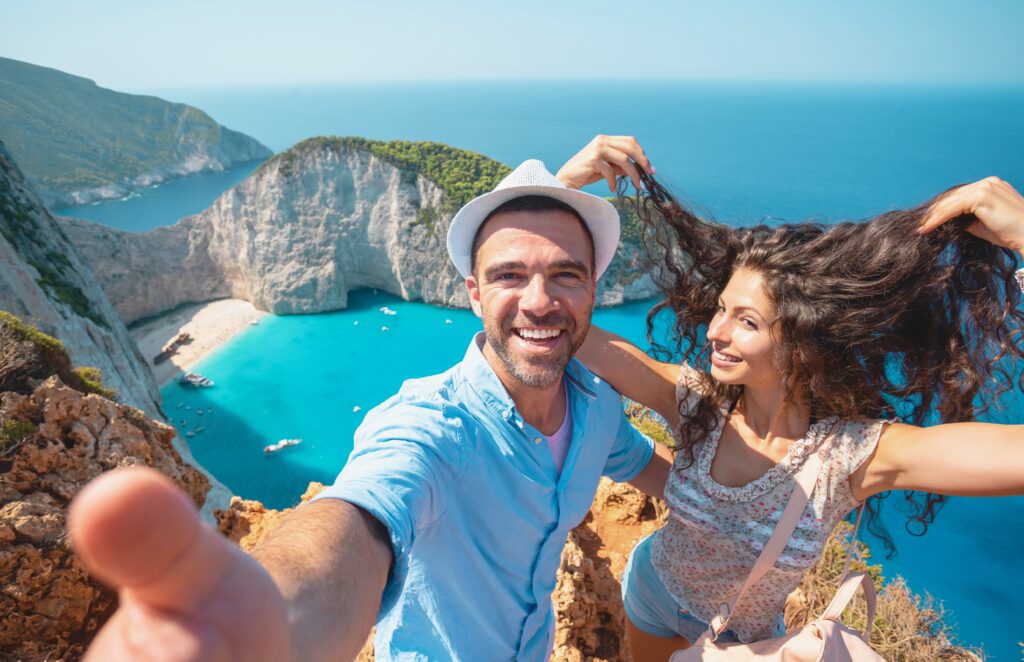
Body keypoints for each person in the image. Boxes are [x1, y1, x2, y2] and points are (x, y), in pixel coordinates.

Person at [68, 158, 673, 661]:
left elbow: (649, 466)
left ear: (596, 288)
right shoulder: (430, 428)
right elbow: (359, 519)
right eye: (509, 275)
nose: (539, 302)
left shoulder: (596, 411)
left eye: (566, 275)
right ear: (473, 293)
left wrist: (744, 507)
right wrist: (273, 622)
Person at [555, 135, 1024, 658]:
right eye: (721, 309)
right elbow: (548, 318)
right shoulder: (695, 402)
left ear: (803, 342)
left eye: (746, 321)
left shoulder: (850, 457)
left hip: (742, 644)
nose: (715, 331)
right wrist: (561, 187)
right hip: (651, 590)